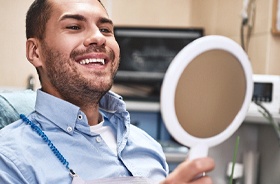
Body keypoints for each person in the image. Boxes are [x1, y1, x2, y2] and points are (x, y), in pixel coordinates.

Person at [0, 0, 215, 183]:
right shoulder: (9, 159)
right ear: (35, 51)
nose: (99, 38)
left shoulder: (148, 146)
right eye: (74, 26)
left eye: (105, 30)